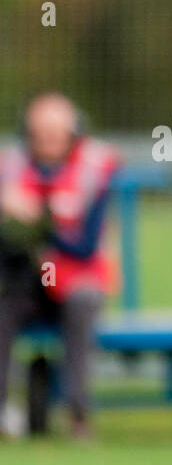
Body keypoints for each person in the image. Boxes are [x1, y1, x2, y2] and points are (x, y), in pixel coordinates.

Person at [0, 92, 119, 439]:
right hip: (30, 286)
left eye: (56, 134)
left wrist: (41, 220)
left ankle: (78, 415)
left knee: (82, 304)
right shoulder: (11, 170)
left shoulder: (93, 170)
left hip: (77, 283)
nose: (48, 143)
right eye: (41, 134)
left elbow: (84, 247)